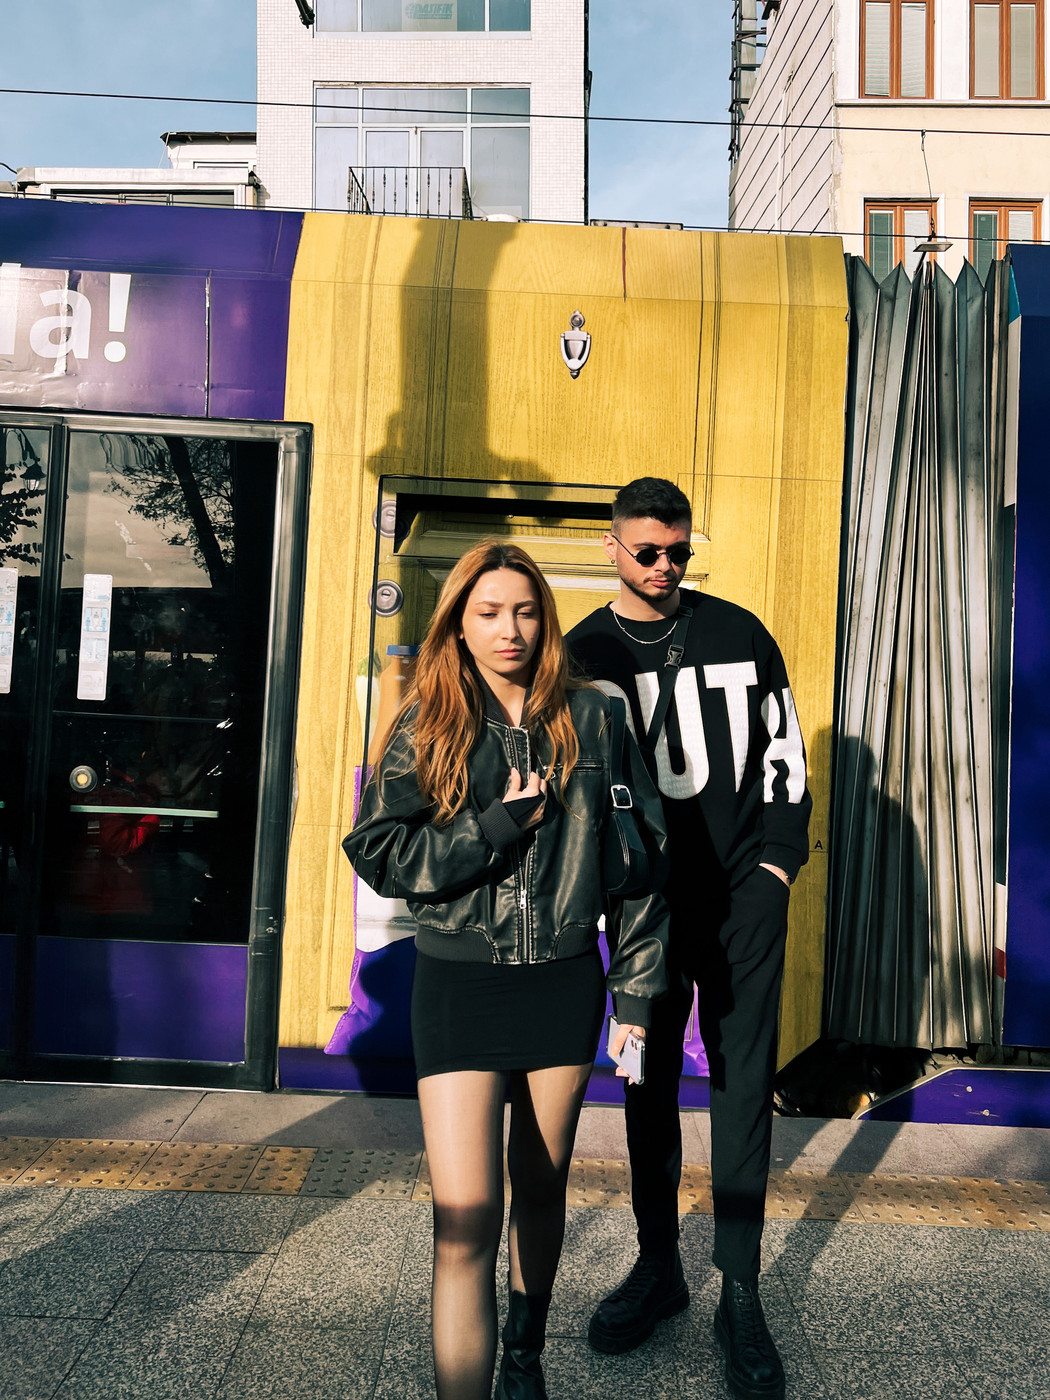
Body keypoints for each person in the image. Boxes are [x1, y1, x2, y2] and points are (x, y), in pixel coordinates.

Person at [343, 539, 669, 1400]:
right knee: (463, 1224)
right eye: (488, 612)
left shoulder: (594, 717)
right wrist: (487, 830)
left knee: (542, 1191)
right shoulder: (429, 719)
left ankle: (524, 1358)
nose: (509, 629)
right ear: (459, 622)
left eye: (524, 610)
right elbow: (376, 849)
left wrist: (633, 994)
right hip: (458, 983)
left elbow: (638, 869)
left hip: (562, 981)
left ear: (545, 620)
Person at [566, 479, 811, 1400]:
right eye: (648, 551)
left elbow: (787, 760)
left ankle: (740, 1292)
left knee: (745, 1089)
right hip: (646, 914)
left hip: (747, 903)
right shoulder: (586, 653)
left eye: (679, 551)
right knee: (648, 1091)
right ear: (613, 547)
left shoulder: (740, 634)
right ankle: (658, 1267)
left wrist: (778, 870)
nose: (666, 567)